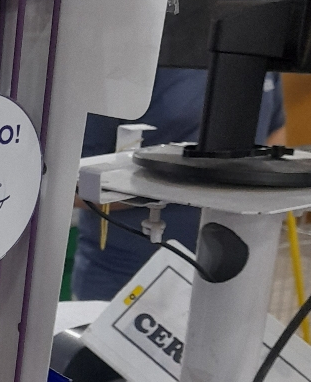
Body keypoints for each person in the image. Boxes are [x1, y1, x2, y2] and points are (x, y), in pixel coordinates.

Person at [71, 67, 286, 301]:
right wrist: (177, 185)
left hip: (236, 276)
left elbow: (275, 131)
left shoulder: (260, 56)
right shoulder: (128, 64)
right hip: (127, 278)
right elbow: (71, 184)